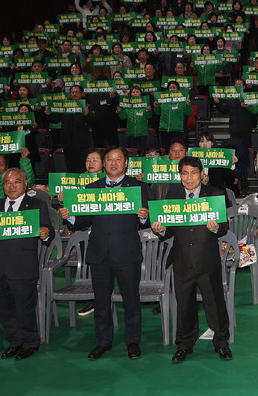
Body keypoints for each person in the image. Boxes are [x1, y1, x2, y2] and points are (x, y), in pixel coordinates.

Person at [59, 147, 150, 361]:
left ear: (126, 163)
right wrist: (70, 216)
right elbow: (84, 221)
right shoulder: (92, 188)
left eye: (118, 159)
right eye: (109, 159)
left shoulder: (138, 187)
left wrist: (144, 216)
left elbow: (147, 220)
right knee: (101, 301)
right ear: (104, 163)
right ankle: (103, 341)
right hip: (99, 253)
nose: (114, 163)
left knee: (131, 300)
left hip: (127, 252)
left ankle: (133, 341)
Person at [150, 156, 232, 362]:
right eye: (185, 173)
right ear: (179, 176)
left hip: (207, 260)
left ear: (201, 175)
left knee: (215, 304)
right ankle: (184, 344)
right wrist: (159, 230)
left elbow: (224, 227)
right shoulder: (172, 197)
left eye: (194, 172)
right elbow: (168, 232)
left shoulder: (214, 194)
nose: (189, 177)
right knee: (184, 305)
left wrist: (216, 228)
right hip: (182, 260)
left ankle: (221, 343)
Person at [0, 168, 54, 360]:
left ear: (25, 183)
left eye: (16, 182)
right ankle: (15, 340)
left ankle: (30, 342)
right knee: (4, 308)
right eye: (7, 182)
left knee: (24, 308)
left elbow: (48, 229)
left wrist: (46, 232)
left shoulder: (36, 205)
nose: (12, 186)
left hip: (23, 266)